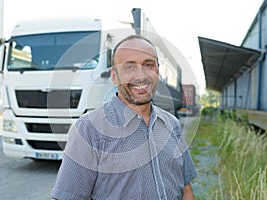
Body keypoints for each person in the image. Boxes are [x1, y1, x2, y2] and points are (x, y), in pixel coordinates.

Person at [52, 35, 197, 200]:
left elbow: (186, 189)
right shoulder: (89, 129)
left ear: (157, 71)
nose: (141, 76)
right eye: (129, 67)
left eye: (148, 65)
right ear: (114, 76)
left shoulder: (172, 124)